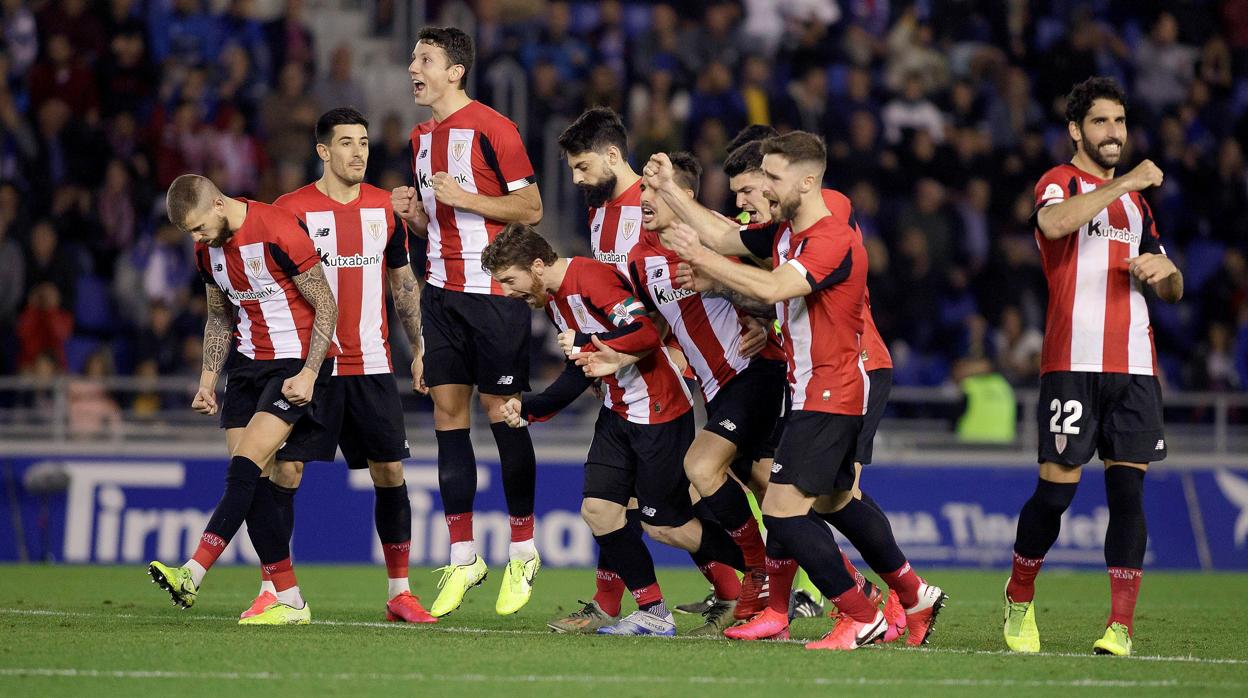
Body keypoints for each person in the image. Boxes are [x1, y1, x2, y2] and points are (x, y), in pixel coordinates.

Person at [656, 132, 945, 650]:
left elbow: (768, 287)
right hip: (813, 384)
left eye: (769, 178)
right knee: (834, 501)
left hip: (834, 387)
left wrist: (699, 258)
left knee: (785, 509)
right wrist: (673, 195)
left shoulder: (829, 234)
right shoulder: (788, 231)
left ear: (806, 181)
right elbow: (729, 241)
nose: (761, 191)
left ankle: (857, 612)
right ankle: (913, 592)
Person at [483, 224, 750, 636]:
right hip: (618, 410)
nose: (507, 291)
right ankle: (653, 612)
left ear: (536, 266)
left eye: (509, 280)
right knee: (599, 511)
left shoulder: (590, 277)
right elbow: (581, 369)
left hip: (658, 410)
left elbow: (643, 333)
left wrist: (589, 338)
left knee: (665, 525)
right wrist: (531, 407)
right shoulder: (554, 299)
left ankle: (765, 568)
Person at [1003, 77, 1183, 657]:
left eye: (1121, 122)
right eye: (1102, 122)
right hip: (1072, 361)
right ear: (1077, 130)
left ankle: (1119, 627)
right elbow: (1054, 226)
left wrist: (1167, 275)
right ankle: (1020, 594)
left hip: (1133, 364)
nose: (1114, 133)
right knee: (1056, 494)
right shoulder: (1060, 183)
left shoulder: (1138, 206)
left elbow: (1172, 283)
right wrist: (1128, 177)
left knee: (1128, 494)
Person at [237, 107, 433, 624]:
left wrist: (419, 347)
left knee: (389, 470)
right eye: (346, 143)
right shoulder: (290, 210)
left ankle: (400, 593)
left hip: (371, 365)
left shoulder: (385, 210)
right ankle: (276, 591)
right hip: (310, 368)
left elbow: (402, 282)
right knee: (285, 469)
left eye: (364, 142)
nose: (358, 152)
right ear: (323, 151)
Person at [390, 26, 544, 618]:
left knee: (501, 412)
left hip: (494, 295)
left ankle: (524, 548)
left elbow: (529, 208)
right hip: (442, 293)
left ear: (455, 71)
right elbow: (443, 223)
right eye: (412, 58)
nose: (413, 68)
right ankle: (464, 554)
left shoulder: (493, 128)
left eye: (424, 59)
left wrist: (466, 199)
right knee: (447, 417)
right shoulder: (419, 138)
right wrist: (418, 216)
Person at [147, 173, 340, 626]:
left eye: (198, 228)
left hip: (294, 364)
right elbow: (218, 317)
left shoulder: (277, 229)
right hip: (248, 369)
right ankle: (288, 597)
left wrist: (311, 372)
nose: (197, 238)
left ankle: (193, 572)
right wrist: (207, 380)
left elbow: (327, 304)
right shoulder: (205, 252)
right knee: (251, 483)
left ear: (218, 204)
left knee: (244, 467)